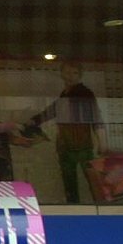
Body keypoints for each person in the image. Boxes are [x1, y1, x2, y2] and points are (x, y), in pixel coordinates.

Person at [29, 61, 103, 204]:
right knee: (77, 182)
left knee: (90, 181)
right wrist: (35, 120)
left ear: (80, 75)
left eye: (75, 73)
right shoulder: (66, 94)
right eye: (68, 72)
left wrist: (102, 142)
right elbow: (53, 110)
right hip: (69, 145)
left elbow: (95, 117)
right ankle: (83, 207)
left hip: (80, 145)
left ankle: (90, 207)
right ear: (62, 74)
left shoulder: (83, 93)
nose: (71, 76)